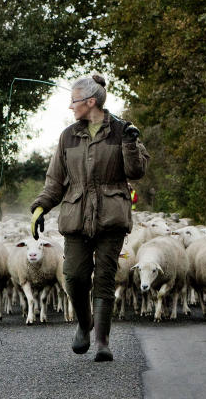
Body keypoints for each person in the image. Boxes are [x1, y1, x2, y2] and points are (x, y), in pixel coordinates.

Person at [30, 74, 149, 362]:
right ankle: (85, 323)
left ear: (90, 101)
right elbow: (55, 180)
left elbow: (136, 172)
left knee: (105, 278)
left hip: (111, 217)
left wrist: (131, 143)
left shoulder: (123, 131)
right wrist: (40, 207)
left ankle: (102, 342)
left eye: (74, 101)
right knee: (74, 277)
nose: (71, 107)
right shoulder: (68, 136)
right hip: (76, 215)